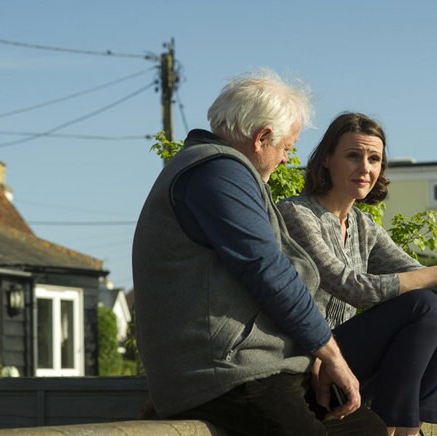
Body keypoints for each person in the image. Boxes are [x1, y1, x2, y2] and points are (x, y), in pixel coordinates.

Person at [132, 72, 387, 435]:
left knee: (367, 430)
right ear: (262, 137)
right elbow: (269, 271)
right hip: (225, 373)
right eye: (287, 147)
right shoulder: (218, 172)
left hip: (255, 367)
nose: (286, 160)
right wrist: (329, 353)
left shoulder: (223, 170)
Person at [278, 112, 437, 436]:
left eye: (374, 158)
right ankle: (396, 427)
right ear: (326, 160)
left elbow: (417, 273)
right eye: (353, 156)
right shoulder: (297, 215)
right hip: (311, 362)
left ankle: (409, 424)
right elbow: (352, 287)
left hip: (347, 362)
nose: (365, 168)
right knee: (423, 305)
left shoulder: (363, 226)